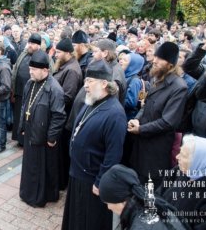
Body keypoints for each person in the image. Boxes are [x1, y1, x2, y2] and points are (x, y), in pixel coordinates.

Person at [62, 60, 127, 230]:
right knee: (76, 218)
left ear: (104, 83)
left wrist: (100, 182)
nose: (86, 85)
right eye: (85, 81)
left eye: (90, 81)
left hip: (93, 181)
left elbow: (113, 155)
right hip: (78, 173)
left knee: (89, 221)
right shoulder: (91, 101)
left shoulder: (115, 113)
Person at [127, 42, 188, 187]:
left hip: (156, 151)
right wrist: (136, 120)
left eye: (160, 58)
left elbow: (168, 122)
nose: (154, 60)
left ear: (171, 64)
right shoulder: (156, 79)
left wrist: (141, 129)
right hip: (141, 145)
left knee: (149, 191)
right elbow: (146, 104)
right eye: (155, 56)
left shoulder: (179, 87)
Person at [18, 50, 66, 207]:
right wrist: (23, 126)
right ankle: (28, 192)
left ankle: (41, 197)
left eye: (33, 70)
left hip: (44, 137)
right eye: (30, 69)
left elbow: (59, 116)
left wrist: (52, 137)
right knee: (30, 165)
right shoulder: (30, 83)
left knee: (42, 169)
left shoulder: (55, 89)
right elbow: (24, 106)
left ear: (45, 70)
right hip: (31, 133)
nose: (30, 72)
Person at [158, 135, 206, 229]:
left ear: (202, 162)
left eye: (184, 156)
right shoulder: (182, 170)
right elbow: (158, 194)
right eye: (180, 152)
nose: (177, 157)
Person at [99, 165, 188, 230]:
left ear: (121, 200)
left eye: (108, 203)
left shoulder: (141, 225)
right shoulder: (153, 203)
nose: (108, 207)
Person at [12, 33, 52, 147]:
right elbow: (15, 70)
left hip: (35, 94)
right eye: (29, 43)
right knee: (19, 116)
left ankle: (28, 140)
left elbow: (50, 73)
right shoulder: (23, 54)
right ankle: (19, 138)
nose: (30, 45)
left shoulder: (44, 57)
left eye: (33, 43)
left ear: (39, 45)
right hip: (20, 92)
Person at [53, 37, 83, 190]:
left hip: (63, 116)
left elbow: (67, 96)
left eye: (58, 52)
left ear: (67, 53)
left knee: (62, 153)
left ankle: (61, 181)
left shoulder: (71, 70)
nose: (56, 55)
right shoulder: (66, 65)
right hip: (60, 114)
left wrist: (50, 105)